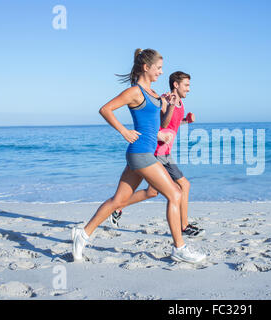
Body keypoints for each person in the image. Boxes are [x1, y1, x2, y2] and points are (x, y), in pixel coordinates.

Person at [71, 48, 206, 264]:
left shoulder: (154, 94)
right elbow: (105, 109)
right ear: (146, 67)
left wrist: (170, 106)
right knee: (175, 194)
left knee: (119, 200)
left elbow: (159, 125)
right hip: (141, 154)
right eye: (159, 68)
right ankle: (179, 248)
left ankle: (83, 234)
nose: (161, 72)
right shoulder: (135, 92)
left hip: (142, 153)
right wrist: (124, 131)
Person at [108, 71, 205, 237]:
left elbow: (172, 125)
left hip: (165, 152)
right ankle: (184, 225)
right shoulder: (166, 99)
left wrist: (186, 121)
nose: (189, 89)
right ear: (176, 84)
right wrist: (171, 106)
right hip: (157, 151)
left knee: (151, 192)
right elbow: (162, 122)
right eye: (186, 85)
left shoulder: (179, 103)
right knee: (184, 186)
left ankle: (117, 206)